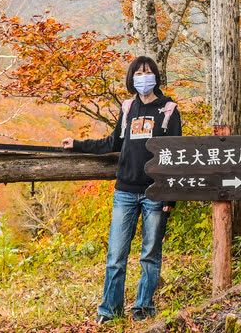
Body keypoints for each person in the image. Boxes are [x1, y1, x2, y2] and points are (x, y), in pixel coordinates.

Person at [61, 56, 181, 324]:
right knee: (116, 255)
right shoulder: (128, 108)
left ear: (156, 77)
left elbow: (175, 154)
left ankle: (143, 308)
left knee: (150, 254)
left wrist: (170, 195)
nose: (143, 77)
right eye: (138, 73)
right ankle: (109, 311)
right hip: (125, 191)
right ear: (131, 78)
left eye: (148, 72)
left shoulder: (169, 110)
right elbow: (112, 143)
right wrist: (78, 144)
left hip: (155, 192)